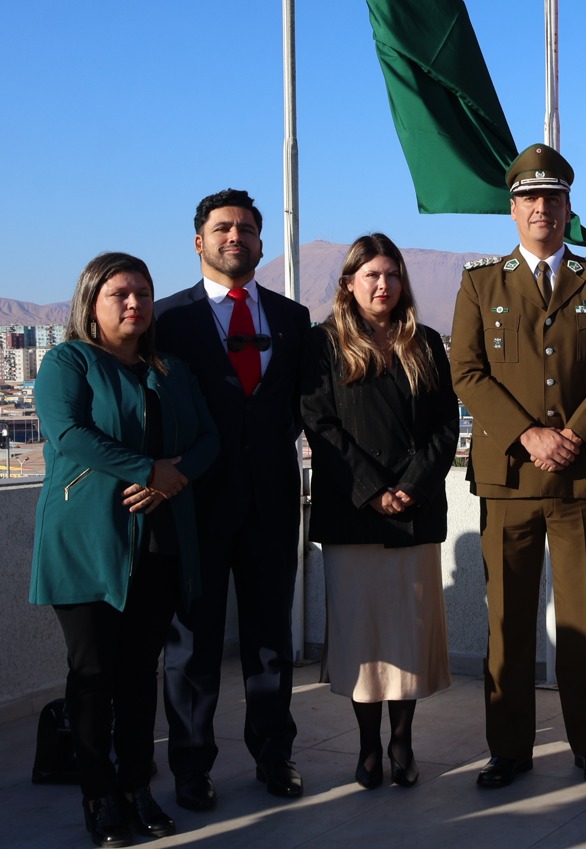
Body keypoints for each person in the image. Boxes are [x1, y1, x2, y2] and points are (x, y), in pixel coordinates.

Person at [450, 143, 586, 788]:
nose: (541, 208)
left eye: (552, 198)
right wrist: (528, 435)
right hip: (509, 477)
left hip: (581, 476)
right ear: (513, 208)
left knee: (583, 618)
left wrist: (574, 434)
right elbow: (466, 371)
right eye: (530, 197)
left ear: (567, 207)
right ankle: (508, 749)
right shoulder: (482, 283)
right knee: (508, 622)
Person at [30, 253, 218, 847]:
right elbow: (69, 434)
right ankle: (99, 795)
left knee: (139, 673)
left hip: (158, 540)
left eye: (143, 292)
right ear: (91, 302)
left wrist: (173, 478)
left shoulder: (171, 369)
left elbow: (209, 437)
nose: (135, 303)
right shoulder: (68, 361)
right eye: (120, 293)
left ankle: (137, 786)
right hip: (87, 540)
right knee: (92, 673)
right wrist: (147, 470)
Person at [156, 189, 312, 809]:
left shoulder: (293, 318)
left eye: (246, 229)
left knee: (270, 638)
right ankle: (191, 766)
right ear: (199, 241)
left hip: (272, 503)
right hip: (194, 505)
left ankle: (274, 755)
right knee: (191, 644)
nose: (234, 237)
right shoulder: (168, 320)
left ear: (260, 242)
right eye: (222, 228)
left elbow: (300, 406)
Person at [299, 233, 458, 790]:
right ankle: (368, 746)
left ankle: (402, 742)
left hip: (414, 512)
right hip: (354, 514)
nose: (383, 285)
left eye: (392, 274)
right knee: (363, 638)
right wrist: (372, 489)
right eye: (371, 275)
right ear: (349, 283)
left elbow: (445, 424)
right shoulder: (323, 343)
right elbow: (319, 423)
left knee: (407, 634)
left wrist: (411, 485)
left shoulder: (427, 342)